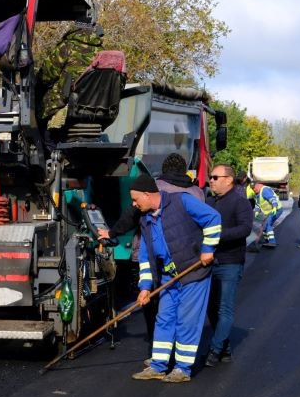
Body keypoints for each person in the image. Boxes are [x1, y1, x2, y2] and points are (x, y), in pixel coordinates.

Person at [97, 154, 203, 361]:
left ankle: (160, 352)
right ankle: (179, 354)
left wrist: (111, 233)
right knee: (184, 311)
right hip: (190, 260)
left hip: (155, 257)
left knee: (156, 308)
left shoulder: (154, 188)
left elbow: (131, 216)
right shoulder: (196, 192)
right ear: (184, 170)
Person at [128, 174, 221, 383]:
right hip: (169, 277)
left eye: (136, 200)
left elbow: (213, 218)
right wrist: (144, 287)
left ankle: (182, 369)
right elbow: (145, 258)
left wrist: (208, 249)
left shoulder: (181, 202)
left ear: (147, 194)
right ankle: (158, 366)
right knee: (164, 318)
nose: (134, 205)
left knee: (186, 320)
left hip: (193, 273)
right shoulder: (146, 221)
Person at [205, 165, 254, 366]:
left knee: (225, 309)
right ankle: (224, 347)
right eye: (211, 177)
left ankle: (215, 350)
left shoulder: (240, 202)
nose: (211, 180)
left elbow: (245, 229)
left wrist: (217, 235)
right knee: (211, 307)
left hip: (230, 262)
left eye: (216, 177)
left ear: (229, 179)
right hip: (209, 262)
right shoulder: (209, 201)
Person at [251, 180, 282, 248]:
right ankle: (266, 240)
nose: (254, 189)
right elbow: (258, 204)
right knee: (264, 226)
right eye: (252, 188)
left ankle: (272, 242)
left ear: (258, 185)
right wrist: (256, 211)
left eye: (254, 187)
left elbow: (272, 199)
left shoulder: (265, 190)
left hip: (276, 210)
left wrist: (274, 207)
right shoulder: (257, 194)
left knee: (268, 224)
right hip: (268, 212)